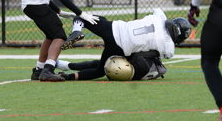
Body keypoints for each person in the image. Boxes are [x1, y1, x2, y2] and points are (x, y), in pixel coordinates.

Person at [58, 8, 192, 81]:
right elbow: (164, 55)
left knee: (83, 17)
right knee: (100, 70)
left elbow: (158, 10)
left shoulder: (159, 17)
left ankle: (76, 31)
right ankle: (68, 76)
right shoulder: (168, 47)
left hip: (115, 28)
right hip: (121, 47)